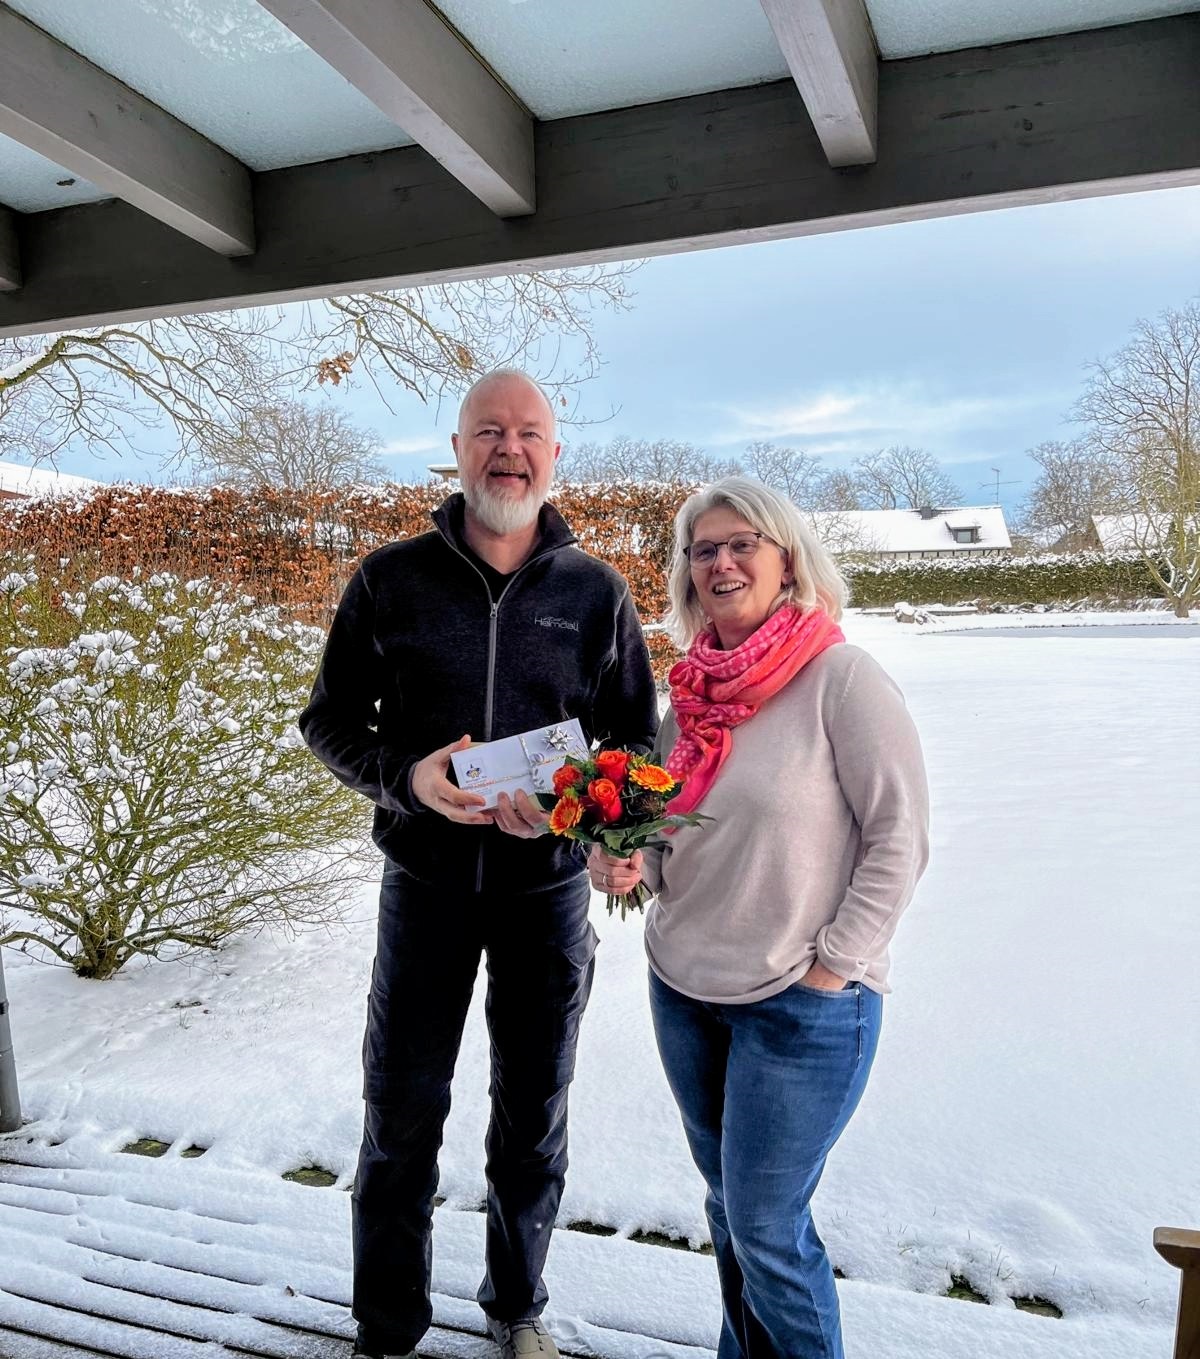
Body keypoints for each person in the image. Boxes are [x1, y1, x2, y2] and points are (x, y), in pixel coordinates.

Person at [300, 369, 658, 1359]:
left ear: (554, 454)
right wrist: (405, 778)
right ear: (455, 450)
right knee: (401, 1111)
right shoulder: (389, 578)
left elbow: (638, 742)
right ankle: (387, 1326)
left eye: (530, 432)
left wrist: (593, 819)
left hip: (544, 898)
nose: (511, 448)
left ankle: (515, 1307)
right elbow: (327, 722)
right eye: (489, 431)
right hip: (424, 891)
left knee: (532, 1115)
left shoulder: (594, 593)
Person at [589, 476, 929, 1359]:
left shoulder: (840, 679)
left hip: (800, 1000)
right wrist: (623, 860)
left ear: (787, 558)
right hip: (686, 991)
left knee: (768, 1228)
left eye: (743, 543)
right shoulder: (690, 698)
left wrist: (836, 964)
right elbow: (664, 844)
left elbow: (901, 836)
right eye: (705, 549)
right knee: (730, 1213)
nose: (723, 562)